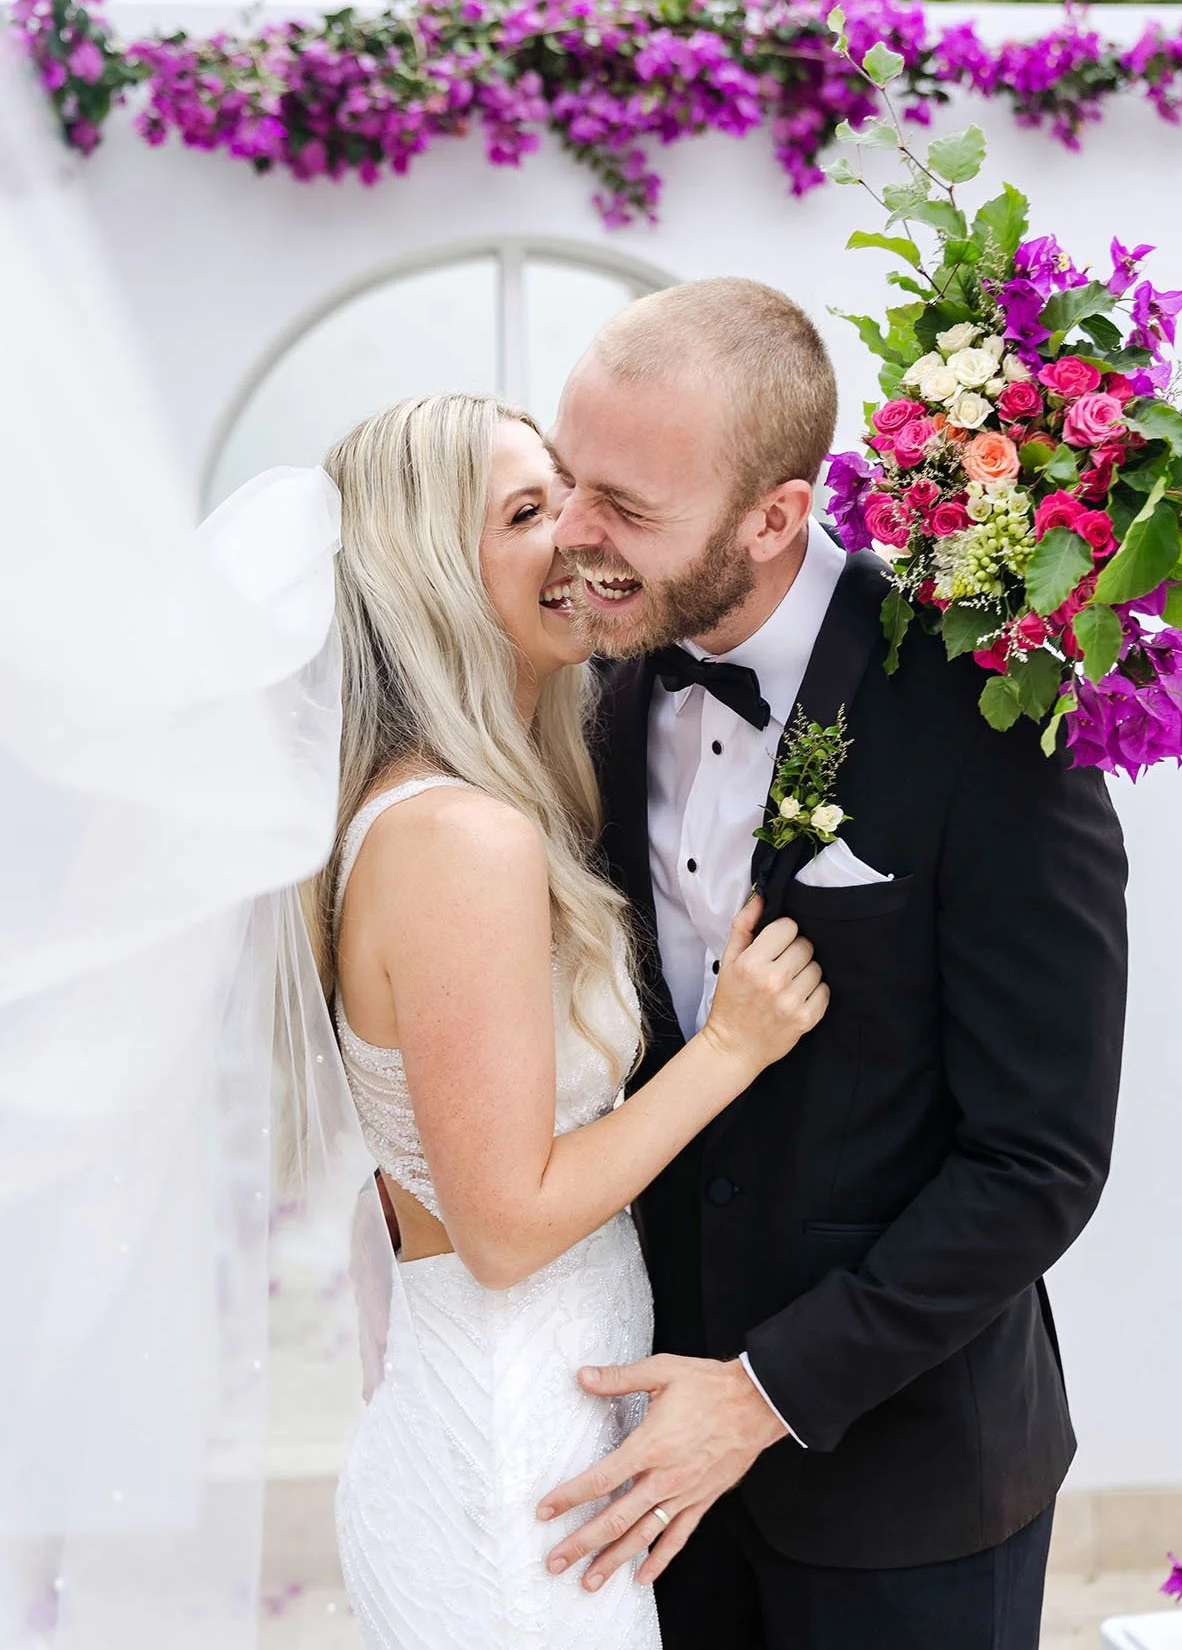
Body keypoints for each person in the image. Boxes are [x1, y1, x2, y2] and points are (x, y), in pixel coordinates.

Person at [534, 277, 1130, 1650]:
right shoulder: (585, 679)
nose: (571, 535)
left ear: (775, 516)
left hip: (908, 1492)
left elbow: (1038, 1159)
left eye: (625, 506)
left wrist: (759, 1395)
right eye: (567, 482)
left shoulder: (991, 711)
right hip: (641, 1474)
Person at [314, 392, 830, 1649]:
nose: (578, 535)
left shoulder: (477, 803)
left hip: (542, 1444)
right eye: (525, 513)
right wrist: (729, 1049)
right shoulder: (456, 836)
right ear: (431, 570)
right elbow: (503, 1229)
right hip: (510, 1474)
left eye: (574, 497)